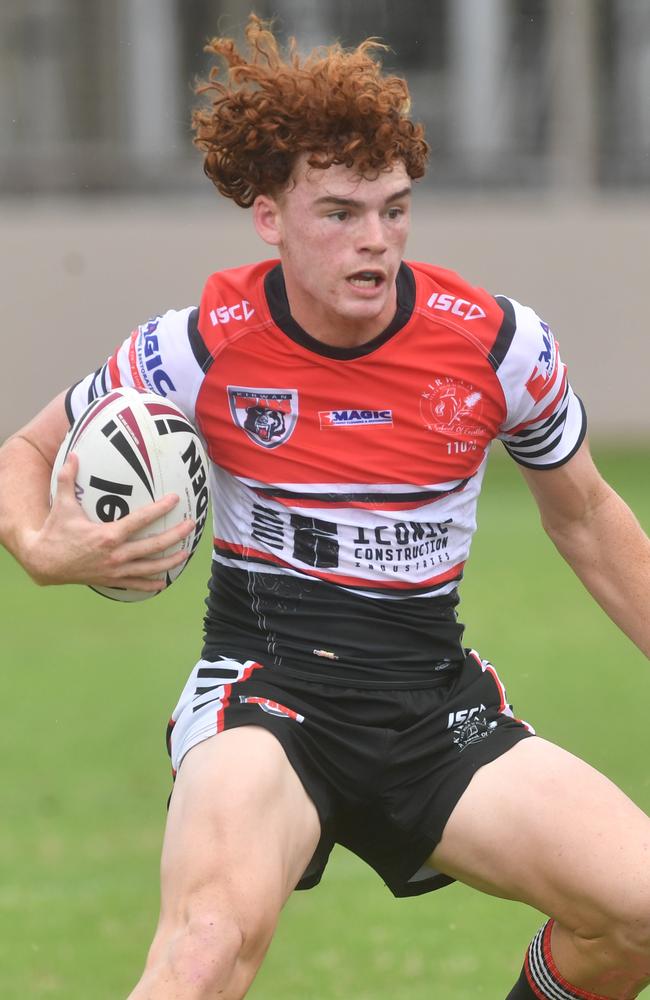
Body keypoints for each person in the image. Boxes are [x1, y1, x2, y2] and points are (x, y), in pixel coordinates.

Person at [1, 15, 649, 1000]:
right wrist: (42, 546)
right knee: (206, 949)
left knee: (636, 909)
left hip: (430, 704)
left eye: (393, 210)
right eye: (340, 212)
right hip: (266, 695)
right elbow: (28, 449)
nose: (375, 241)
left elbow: (587, 516)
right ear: (268, 215)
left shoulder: (499, 347)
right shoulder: (199, 345)